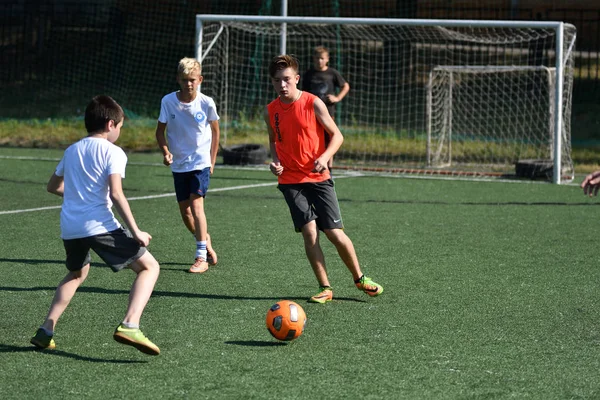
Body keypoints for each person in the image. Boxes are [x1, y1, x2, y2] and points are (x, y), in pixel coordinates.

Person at [30, 95, 161, 355]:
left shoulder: (72, 150)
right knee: (150, 267)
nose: (120, 132)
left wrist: (78, 195)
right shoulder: (113, 152)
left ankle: (46, 330)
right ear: (111, 124)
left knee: (77, 273)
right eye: (121, 127)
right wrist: (136, 232)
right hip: (99, 226)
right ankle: (130, 324)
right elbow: (116, 193)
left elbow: (53, 187)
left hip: (70, 227)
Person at [264, 54, 383, 304]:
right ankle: (325, 287)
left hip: (319, 177)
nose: (282, 85)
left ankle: (359, 278)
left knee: (334, 232)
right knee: (310, 232)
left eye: (287, 80)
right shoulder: (271, 110)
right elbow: (274, 141)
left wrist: (325, 155)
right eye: (277, 81)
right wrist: (275, 162)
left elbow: (337, 136)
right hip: (290, 181)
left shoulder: (313, 103)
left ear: (297, 79)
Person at [155, 57, 220, 273]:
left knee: (197, 205)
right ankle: (204, 239)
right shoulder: (168, 101)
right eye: (184, 80)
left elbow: (215, 131)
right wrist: (166, 152)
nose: (188, 84)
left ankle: (201, 256)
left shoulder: (206, 102)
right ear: (178, 80)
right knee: (186, 214)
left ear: (200, 79)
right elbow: (159, 131)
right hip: (179, 165)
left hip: (200, 163)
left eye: (192, 79)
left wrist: (211, 161)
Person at [301, 46, 350, 171]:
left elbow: (345, 86)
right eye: (317, 58)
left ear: (327, 59)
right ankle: (311, 165)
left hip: (328, 113)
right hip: (310, 113)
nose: (319, 61)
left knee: (329, 139)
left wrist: (337, 98)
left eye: (322, 58)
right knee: (310, 139)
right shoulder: (308, 74)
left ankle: (329, 167)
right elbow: (302, 93)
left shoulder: (332, 73)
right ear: (313, 59)